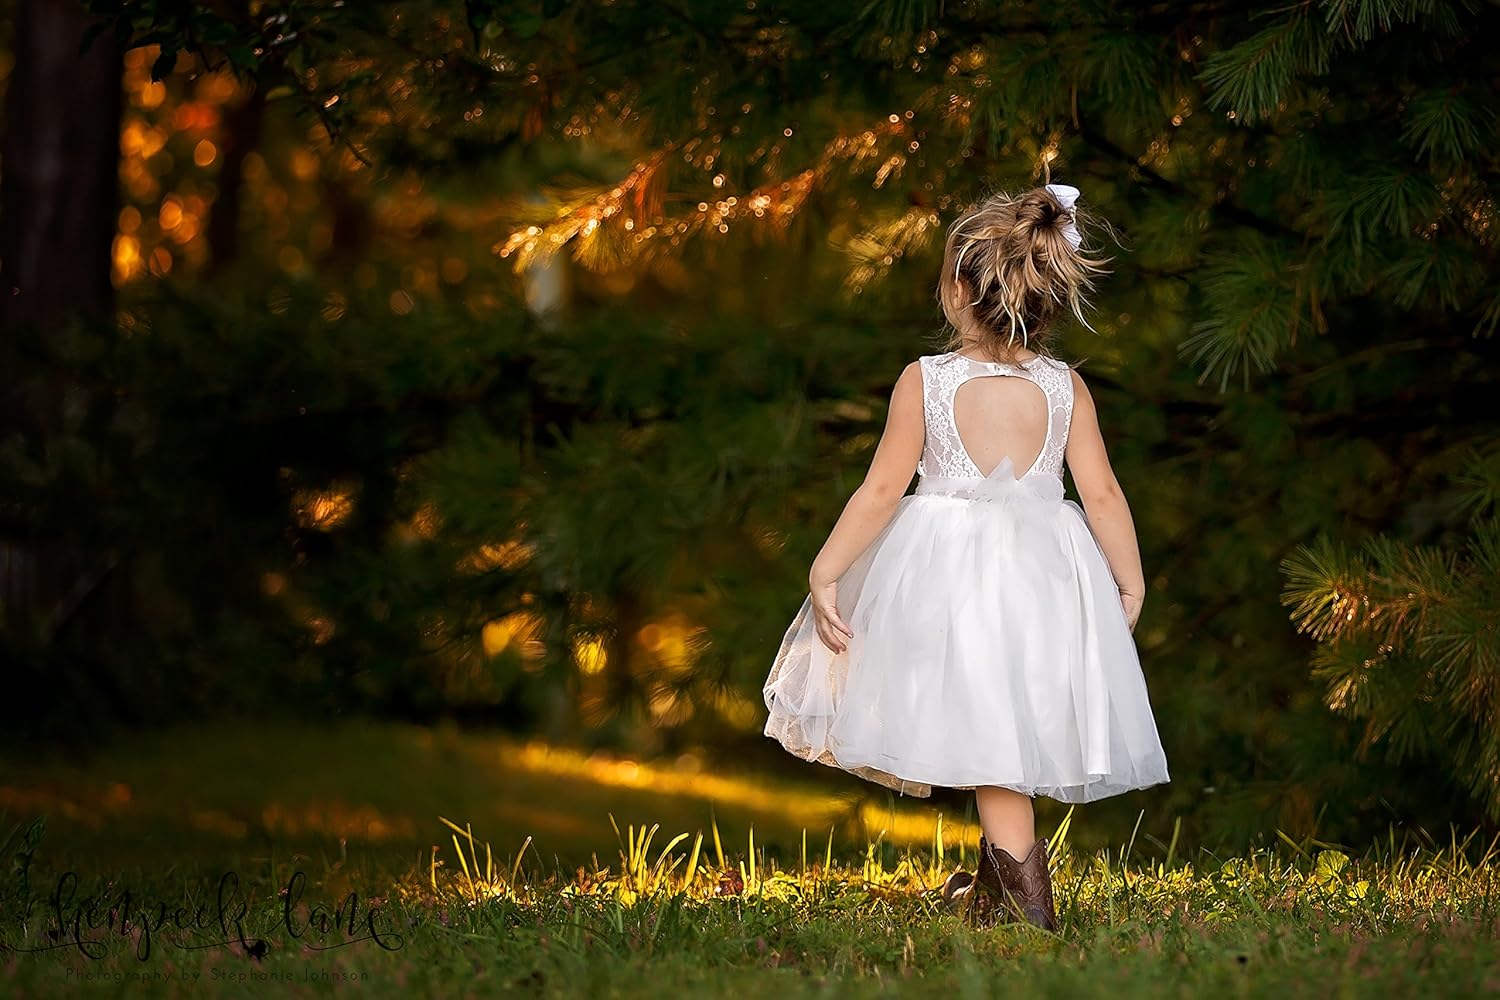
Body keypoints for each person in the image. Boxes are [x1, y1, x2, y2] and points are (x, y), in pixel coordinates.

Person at [762, 183, 1171, 931]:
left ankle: (1022, 900)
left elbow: (883, 488)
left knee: (992, 733)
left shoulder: (928, 379)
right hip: (1048, 577)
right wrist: (1130, 581)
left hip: (952, 579)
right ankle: (997, 886)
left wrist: (826, 568)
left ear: (956, 289)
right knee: (1009, 721)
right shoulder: (1066, 386)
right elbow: (1104, 494)